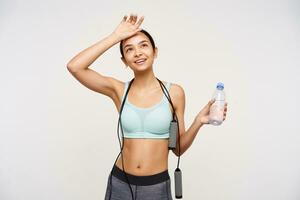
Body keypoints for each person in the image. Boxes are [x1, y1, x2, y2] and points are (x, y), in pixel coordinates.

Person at [66, 14, 228, 200]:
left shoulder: (174, 92)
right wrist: (115, 36)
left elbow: (178, 149)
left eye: (143, 45)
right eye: (129, 49)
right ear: (124, 61)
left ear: (155, 51)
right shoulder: (118, 90)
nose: (138, 53)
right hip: (120, 182)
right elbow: (75, 67)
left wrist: (199, 121)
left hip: (156, 187)